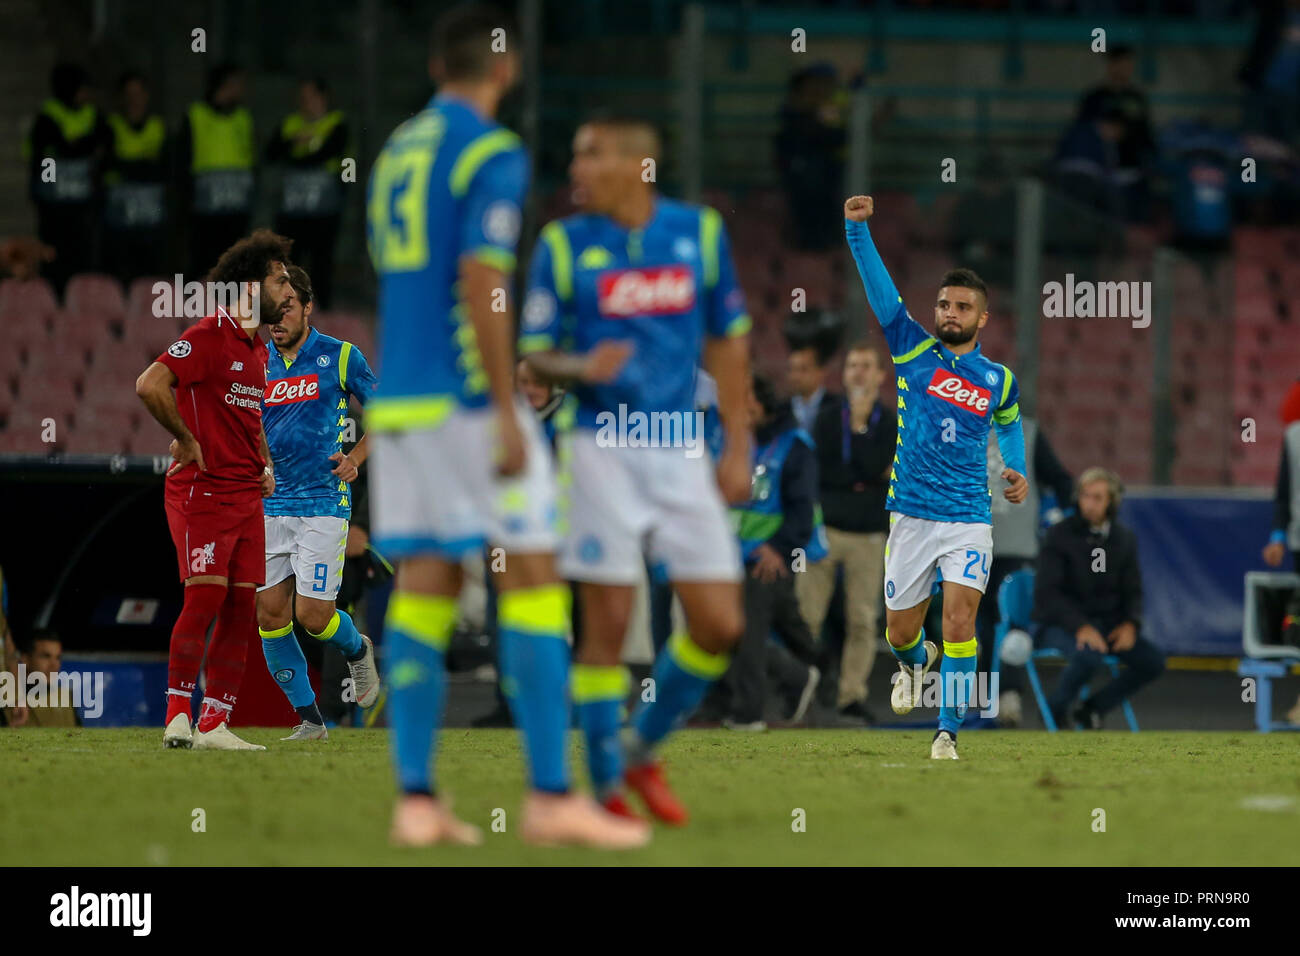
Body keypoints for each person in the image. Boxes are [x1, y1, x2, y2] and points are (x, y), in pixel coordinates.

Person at [366, 3, 647, 849]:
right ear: (505, 68)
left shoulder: (394, 152)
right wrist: (502, 403)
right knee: (531, 584)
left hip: (399, 405)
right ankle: (551, 796)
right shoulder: (491, 151)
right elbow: (484, 280)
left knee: (424, 591)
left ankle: (416, 799)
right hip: (463, 399)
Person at [523, 114, 751, 825]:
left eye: (589, 156)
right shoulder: (562, 244)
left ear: (635, 165)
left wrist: (739, 446)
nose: (575, 170)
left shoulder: (699, 233)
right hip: (597, 449)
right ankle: (605, 796)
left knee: (719, 621)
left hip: (683, 449)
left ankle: (639, 749)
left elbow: (730, 343)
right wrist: (579, 365)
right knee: (608, 629)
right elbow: (535, 354)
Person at [844, 194, 1028, 761]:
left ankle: (947, 731)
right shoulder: (911, 347)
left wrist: (1016, 468)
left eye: (962, 307)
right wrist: (857, 232)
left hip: (968, 517)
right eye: (944, 303)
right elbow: (880, 292)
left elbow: (1010, 426)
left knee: (960, 616)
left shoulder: (998, 379)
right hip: (911, 514)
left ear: (982, 318)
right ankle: (912, 663)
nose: (950, 312)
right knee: (900, 632)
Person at [135, 230, 293, 751]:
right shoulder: (207, 335)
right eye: (279, 279)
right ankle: (177, 715)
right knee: (204, 598)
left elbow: (249, 418)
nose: (288, 290)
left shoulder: (258, 350)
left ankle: (214, 724)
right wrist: (183, 436)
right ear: (250, 288)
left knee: (240, 609)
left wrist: (264, 462)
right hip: (201, 491)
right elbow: (149, 384)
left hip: (247, 494)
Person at [255, 264, 380, 740]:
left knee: (312, 617)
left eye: (286, 308)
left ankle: (356, 649)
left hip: (324, 502)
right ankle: (310, 721)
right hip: (271, 506)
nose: (277, 319)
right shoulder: (255, 362)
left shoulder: (341, 356)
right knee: (269, 615)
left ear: (308, 307)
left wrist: (356, 458)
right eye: (271, 311)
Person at [715, 372, 823, 731]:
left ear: (764, 405)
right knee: (734, 630)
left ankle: (748, 714)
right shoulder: (733, 442)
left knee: (747, 634)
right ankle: (800, 675)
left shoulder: (795, 447)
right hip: (729, 558)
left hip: (768, 559)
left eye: (746, 402)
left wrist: (779, 549)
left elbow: (803, 510)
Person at [798, 340, 896, 724]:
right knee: (808, 617)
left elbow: (873, 467)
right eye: (852, 365)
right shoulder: (825, 416)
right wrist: (865, 471)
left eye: (866, 365)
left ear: (880, 376)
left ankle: (850, 695)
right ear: (844, 373)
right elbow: (829, 471)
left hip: (870, 533)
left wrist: (860, 441)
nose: (858, 372)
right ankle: (801, 689)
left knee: (862, 618)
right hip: (826, 530)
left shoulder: (890, 421)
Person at [1033, 467, 1165, 729]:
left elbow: (1133, 591)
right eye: (1085, 496)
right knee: (1088, 657)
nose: (1089, 504)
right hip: (1059, 624)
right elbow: (1047, 594)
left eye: (1097, 498)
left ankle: (1092, 708)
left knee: (1153, 661)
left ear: (1112, 503)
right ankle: (1054, 712)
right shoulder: (1059, 535)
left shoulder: (1124, 539)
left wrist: (1130, 624)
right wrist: (1080, 626)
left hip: (1107, 624)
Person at [979, 415, 1073, 725]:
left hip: (1015, 548)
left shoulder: (1028, 433)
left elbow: (1061, 480)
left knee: (1012, 626)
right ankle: (984, 700)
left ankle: (1006, 696)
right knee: (973, 627)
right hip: (969, 546)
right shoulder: (958, 425)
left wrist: (1064, 524)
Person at [24, 62, 107, 293]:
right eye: (82, 89)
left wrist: (73, 148)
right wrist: (83, 146)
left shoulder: (92, 115)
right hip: (55, 206)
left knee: (83, 254)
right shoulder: (48, 116)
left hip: (82, 204)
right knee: (54, 257)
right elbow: (47, 155)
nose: (86, 95)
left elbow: (102, 144)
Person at [267, 78, 347, 308]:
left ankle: (323, 314)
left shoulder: (336, 123)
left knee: (322, 263)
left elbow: (331, 151)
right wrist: (295, 142)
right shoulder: (291, 124)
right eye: (302, 97)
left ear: (324, 98)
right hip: (292, 209)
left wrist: (295, 152)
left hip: (323, 209)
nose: (304, 102)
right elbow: (271, 153)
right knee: (290, 263)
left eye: (310, 96)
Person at [177, 63, 255, 277]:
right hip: (205, 209)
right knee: (201, 260)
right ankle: (192, 308)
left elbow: (249, 160)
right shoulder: (196, 115)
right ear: (225, 85)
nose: (241, 90)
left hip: (235, 208)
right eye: (237, 84)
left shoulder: (243, 118)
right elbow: (182, 159)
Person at [1075, 45, 1155, 222]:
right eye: (1120, 63)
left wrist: (1124, 133)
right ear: (1111, 65)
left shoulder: (1136, 98)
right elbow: (1082, 131)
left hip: (1132, 169)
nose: (1125, 68)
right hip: (1099, 171)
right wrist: (1102, 132)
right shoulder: (1095, 97)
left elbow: (1147, 135)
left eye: (1129, 64)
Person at [102, 71, 168, 284]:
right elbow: (106, 166)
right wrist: (143, 166)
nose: (134, 100)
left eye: (138, 93)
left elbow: (166, 168)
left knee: (151, 272)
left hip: (151, 217)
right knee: (120, 272)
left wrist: (129, 167)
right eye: (129, 94)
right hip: (119, 219)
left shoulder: (158, 127)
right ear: (121, 98)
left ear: (146, 96)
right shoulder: (110, 126)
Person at [19, 631, 80, 728]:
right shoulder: (9, 700)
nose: (54, 665)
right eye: (46, 656)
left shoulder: (66, 697)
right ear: (25, 659)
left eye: (57, 658)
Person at [786, 340, 834, 433]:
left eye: (803, 370)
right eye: (792, 370)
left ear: (821, 372)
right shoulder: (782, 411)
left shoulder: (836, 408)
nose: (796, 376)